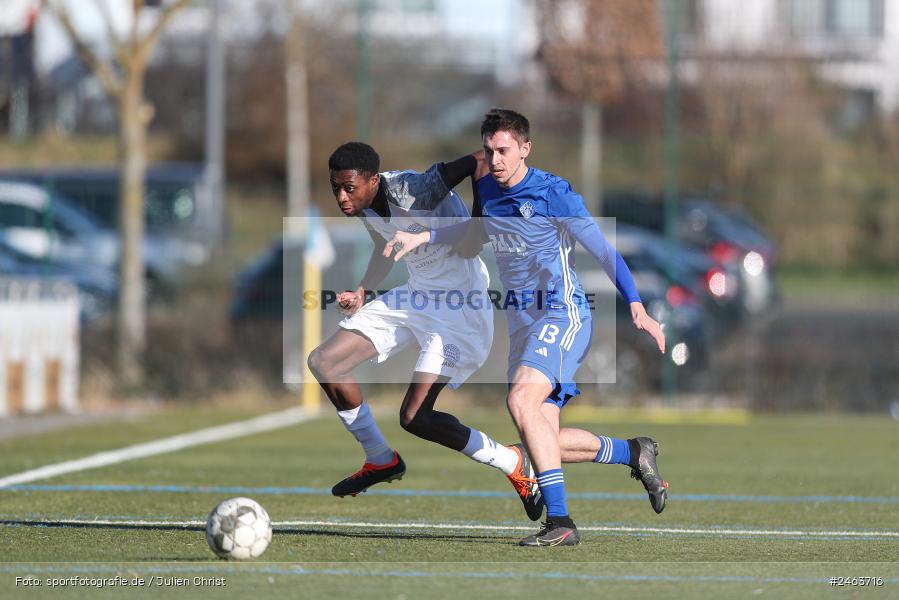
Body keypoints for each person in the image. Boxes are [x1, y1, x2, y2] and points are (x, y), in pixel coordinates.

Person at [383, 109, 669, 547]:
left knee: (519, 399)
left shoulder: (555, 194)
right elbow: (475, 234)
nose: (494, 159)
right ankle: (634, 452)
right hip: (522, 321)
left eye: (503, 150)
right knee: (543, 438)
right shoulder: (487, 188)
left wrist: (636, 305)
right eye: (488, 150)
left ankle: (562, 523)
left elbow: (604, 251)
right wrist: (422, 237)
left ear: (524, 149)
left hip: (562, 314)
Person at [306, 141, 544, 521]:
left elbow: (479, 159)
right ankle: (381, 459)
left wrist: (475, 227)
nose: (341, 196)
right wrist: (364, 290)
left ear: (372, 180)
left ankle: (512, 461)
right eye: (336, 187)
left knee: (416, 417)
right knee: (325, 361)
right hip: (417, 295)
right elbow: (383, 247)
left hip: (459, 308)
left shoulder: (413, 189)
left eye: (348, 188)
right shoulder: (367, 207)